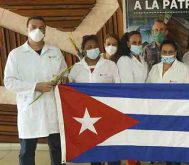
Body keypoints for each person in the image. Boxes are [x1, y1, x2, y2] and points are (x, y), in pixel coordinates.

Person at [4, 16, 67, 165]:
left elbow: (65, 73)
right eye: (33, 27)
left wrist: (65, 79)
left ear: (45, 30)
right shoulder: (16, 54)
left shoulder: (55, 51)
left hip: (53, 110)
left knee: (57, 149)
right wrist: (35, 87)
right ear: (27, 29)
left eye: (41, 27)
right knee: (27, 151)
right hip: (30, 112)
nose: (37, 30)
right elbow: (9, 82)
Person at [68, 35, 120, 165]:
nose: (93, 49)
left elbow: (119, 88)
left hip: (108, 114)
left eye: (95, 46)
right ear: (83, 50)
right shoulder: (76, 68)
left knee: (112, 151)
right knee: (94, 151)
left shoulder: (110, 65)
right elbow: (68, 90)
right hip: (88, 117)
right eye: (89, 47)